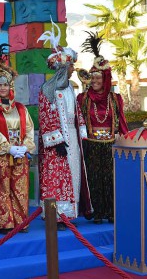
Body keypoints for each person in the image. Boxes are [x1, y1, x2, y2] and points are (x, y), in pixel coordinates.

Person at [37, 22, 93, 231]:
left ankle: (69, 213)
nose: (73, 71)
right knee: (57, 178)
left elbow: (77, 113)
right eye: (70, 67)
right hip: (57, 142)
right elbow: (45, 116)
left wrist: (83, 137)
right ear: (62, 67)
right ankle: (57, 215)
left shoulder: (70, 88)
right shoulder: (47, 89)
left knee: (73, 175)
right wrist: (56, 140)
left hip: (72, 138)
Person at [77, 32, 129, 224]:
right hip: (91, 145)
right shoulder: (82, 99)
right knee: (94, 178)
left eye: (99, 77)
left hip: (110, 145)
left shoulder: (115, 99)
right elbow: (78, 121)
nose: (95, 81)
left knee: (111, 178)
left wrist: (126, 140)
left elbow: (122, 122)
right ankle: (97, 211)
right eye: (93, 77)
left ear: (106, 78)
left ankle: (112, 211)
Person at [0, 40, 36, 234]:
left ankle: (21, 221)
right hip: (1, 157)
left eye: (6, 84)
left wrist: (25, 146)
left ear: (11, 86)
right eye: (0, 85)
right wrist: (8, 148)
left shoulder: (21, 109)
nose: (3, 88)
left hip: (20, 155)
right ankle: (5, 222)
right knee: (2, 189)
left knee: (20, 189)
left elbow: (30, 129)